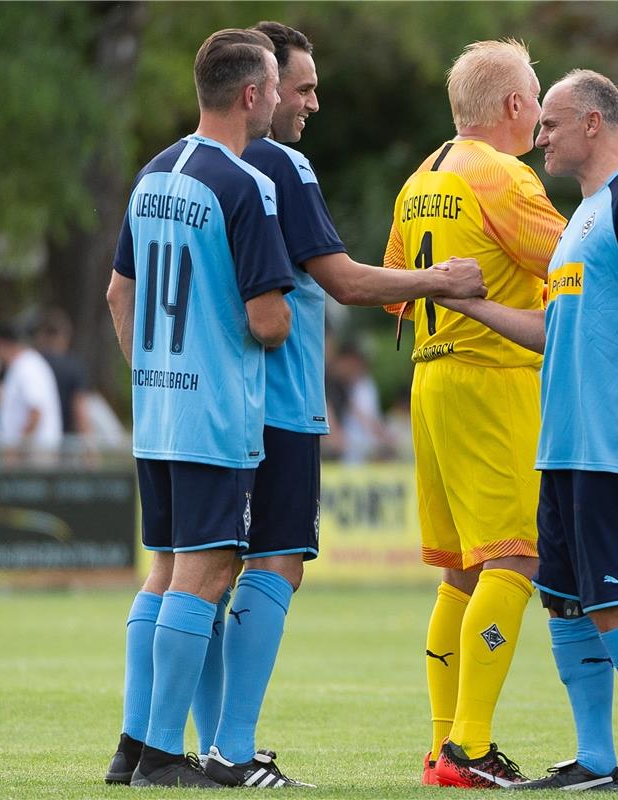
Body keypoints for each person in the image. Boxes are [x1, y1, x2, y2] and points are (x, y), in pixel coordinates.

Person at [192, 21, 486, 789]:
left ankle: (180, 743)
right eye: (305, 87)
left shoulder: (196, 166)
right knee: (275, 564)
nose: (314, 102)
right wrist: (439, 282)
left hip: (214, 400)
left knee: (200, 574)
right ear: (262, 87)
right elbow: (346, 280)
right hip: (279, 400)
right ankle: (232, 749)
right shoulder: (281, 165)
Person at [440, 69, 618, 793]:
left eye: (549, 124)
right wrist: (467, 302)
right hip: (564, 445)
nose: (539, 136)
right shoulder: (577, 222)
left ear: (592, 122)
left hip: (616, 441)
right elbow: (552, 329)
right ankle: (593, 758)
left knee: (613, 600)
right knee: (565, 600)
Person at [102, 28, 296, 789]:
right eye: (276, 86)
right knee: (210, 571)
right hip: (214, 414)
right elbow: (268, 320)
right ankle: (157, 754)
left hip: (157, 410)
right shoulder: (240, 185)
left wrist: (151, 373)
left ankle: (130, 744)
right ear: (249, 95)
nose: (279, 98)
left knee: (166, 569)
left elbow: (118, 292)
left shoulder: (152, 173)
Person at [381, 39, 566, 788]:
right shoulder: (503, 176)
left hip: (430, 381)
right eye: (537, 98)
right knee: (514, 556)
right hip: (491, 377)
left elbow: (397, 290)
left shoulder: (421, 175)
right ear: (515, 106)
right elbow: (575, 260)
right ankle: (470, 746)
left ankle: (441, 748)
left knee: (460, 571)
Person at [0, 322, 63, 455]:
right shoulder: (23, 365)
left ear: (0, 344)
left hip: (32, 453)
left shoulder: (27, 367)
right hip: (30, 451)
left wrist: (16, 449)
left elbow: (35, 412)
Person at [33, 307, 92, 439]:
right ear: (65, 336)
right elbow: (79, 409)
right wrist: (89, 448)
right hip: (65, 443)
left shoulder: (30, 364)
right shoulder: (74, 367)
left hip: (34, 441)